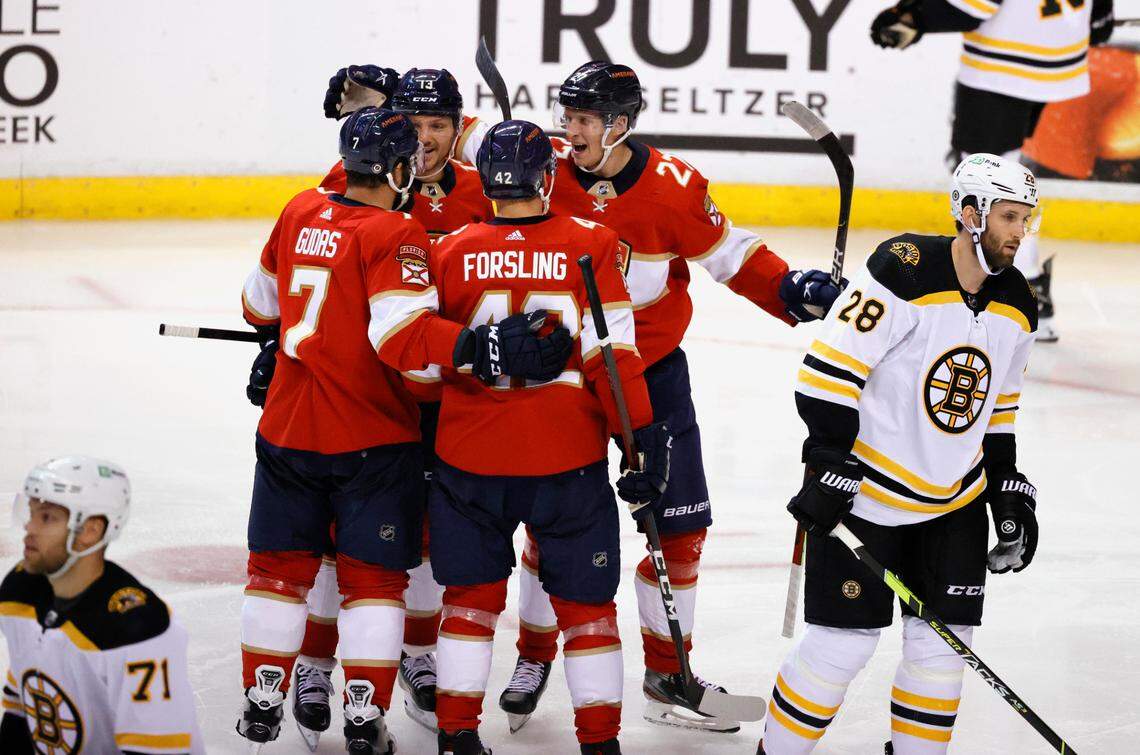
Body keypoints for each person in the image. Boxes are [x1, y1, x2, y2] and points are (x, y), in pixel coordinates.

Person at [456, 61, 843, 733]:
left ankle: (669, 673)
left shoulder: (673, 189)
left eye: (583, 121)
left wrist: (791, 288)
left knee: (682, 527)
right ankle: (534, 652)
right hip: (562, 377)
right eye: (566, 116)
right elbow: (457, 133)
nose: (568, 130)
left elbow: (733, 254)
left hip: (652, 371)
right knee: (555, 522)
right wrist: (381, 104)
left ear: (619, 126)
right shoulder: (540, 163)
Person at [237, 106, 571, 753]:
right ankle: (363, 715)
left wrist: (282, 340)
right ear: (396, 169)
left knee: (277, 571)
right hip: (371, 434)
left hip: (284, 430)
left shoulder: (298, 209)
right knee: (376, 580)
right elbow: (403, 343)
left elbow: (257, 305)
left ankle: (261, 697)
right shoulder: (398, 232)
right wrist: (484, 346)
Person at [757, 153, 1041, 754]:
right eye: (1010, 217)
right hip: (867, 498)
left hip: (956, 501)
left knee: (942, 651)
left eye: (1026, 218)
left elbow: (999, 412)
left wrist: (1007, 492)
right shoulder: (904, 269)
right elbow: (828, 373)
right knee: (841, 646)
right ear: (971, 214)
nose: (1021, 232)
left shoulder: (1018, 302)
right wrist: (831, 459)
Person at [428, 118, 668, 755]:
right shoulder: (592, 244)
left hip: (468, 459)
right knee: (587, 609)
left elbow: (427, 365)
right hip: (566, 461)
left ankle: (455, 737)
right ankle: (599, 745)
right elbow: (614, 363)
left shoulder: (448, 250)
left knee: (469, 602)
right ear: (549, 177)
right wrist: (638, 445)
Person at [290, 67, 496, 744]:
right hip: (363, 396)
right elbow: (301, 266)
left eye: (442, 125)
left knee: (430, 535)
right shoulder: (351, 178)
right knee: (334, 535)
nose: (428, 138)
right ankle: (316, 663)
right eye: (417, 124)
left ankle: (417, 655)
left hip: (449, 397)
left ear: (459, 128)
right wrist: (276, 344)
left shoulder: (485, 191)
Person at [871, 0, 1117, 342]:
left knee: (985, 180)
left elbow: (972, 7)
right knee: (1003, 165)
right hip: (1057, 56)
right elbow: (1101, 23)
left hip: (1005, 64)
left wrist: (914, 17)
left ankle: (1024, 292)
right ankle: (1021, 286)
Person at [0, 456, 205, 753]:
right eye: (30, 513)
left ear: (90, 531)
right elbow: (20, 713)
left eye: (46, 517)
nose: (29, 528)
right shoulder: (19, 592)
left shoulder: (139, 627)